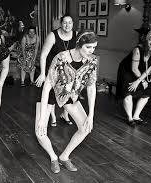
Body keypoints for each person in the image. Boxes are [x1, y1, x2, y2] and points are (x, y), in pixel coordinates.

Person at [35, 30, 98, 173]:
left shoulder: (91, 61)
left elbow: (91, 88)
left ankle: (64, 157)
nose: (91, 51)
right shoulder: (61, 57)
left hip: (70, 95)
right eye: (88, 47)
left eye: (94, 47)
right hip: (50, 93)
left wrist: (91, 115)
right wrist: (41, 119)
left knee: (86, 128)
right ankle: (53, 158)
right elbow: (47, 87)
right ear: (79, 44)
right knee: (40, 132)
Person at [35, 13, 77, 127]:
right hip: (53, 69)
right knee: (52, 95)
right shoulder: (52, 36)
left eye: (70, 22)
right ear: (61, 23)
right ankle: (53, 117)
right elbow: (43, 55)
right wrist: (43, 74)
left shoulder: (76, 35)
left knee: (69, 93)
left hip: (68, 71)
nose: (67, 25)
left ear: (73, 24)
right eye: (64, 22)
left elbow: (77, 54)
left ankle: (65, 115)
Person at [116, 29, 151, 126]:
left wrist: (139, 81)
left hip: (141, 72)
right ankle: (130, 118)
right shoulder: (138, 50)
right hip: (127, 70)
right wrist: (140, 81)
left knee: (146, 93)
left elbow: (150, 69)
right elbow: (134, 69)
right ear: (146, 39)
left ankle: (136, 116)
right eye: (150, 39)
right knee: (128, 93)